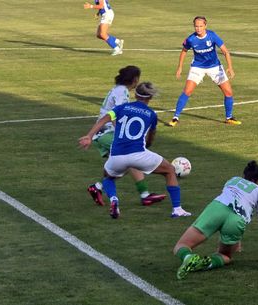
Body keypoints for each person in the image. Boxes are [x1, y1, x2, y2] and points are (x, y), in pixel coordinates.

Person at [79, 82, 192, 219]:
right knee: (169, 170)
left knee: (108, 178)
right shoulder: (151, 114)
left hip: (117, 156)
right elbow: (150, 138)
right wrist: (147, 148)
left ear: (135, 94)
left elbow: (104, 119)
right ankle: (177, 209)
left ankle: (114, 199)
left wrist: (90, 136)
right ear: (149, 97)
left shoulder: (121, 107)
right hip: (139, 154)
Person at [173, 161, 258, 280]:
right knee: (225, 255)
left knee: (181, 245)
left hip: (217, 208)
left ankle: (188, 258)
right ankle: (206, 263)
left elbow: (232, 198)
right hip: (237, 220)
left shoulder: (233, 180)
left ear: (244, 176)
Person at [86, 66, 166, 207]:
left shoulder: (119, 89)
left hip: (103, 133)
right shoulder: (122, 92)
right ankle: (145, 195)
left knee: (118, 167)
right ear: (135, 80)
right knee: (131, 157)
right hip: (106, 133)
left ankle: (97, 187)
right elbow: (115, 115)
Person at [168, 16, 241, 127]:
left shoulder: (212, 36)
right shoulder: (191, 39)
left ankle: (229, 118)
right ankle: (175, 118)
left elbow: (226, 51)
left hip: (215, 67)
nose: (198, 28)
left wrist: (230, 67)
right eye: (196, 26)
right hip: (198, 67)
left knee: (228, 93)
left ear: (205, 26)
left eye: (201, 26)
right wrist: (180, 67)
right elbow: (183, 51)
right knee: (187, 91)